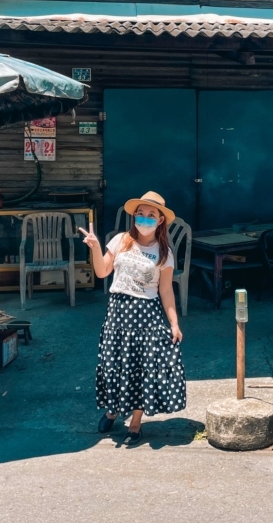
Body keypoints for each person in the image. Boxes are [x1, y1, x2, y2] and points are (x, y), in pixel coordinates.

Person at [79, 191, 186, 446]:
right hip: (118, 314)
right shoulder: (120, 241)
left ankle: (136, 422)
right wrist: (94, 247)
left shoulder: (164, 253)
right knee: (114, 365)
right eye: (141, 214)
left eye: (151, 215)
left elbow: (166, 290)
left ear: (160, 221)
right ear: (134, 216)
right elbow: (102, 271)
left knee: (142, 369)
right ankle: (113, 411)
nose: (145, 219)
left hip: (146, 315)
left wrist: (174, 323)